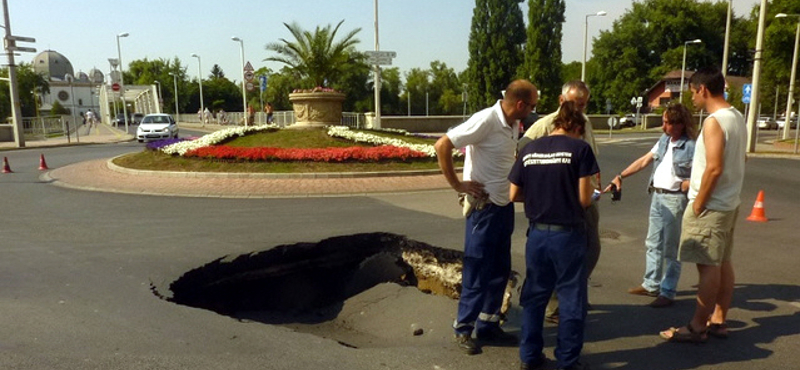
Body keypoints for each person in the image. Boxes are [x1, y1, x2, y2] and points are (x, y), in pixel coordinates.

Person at [434, 79, 538, 355]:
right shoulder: (487, 119)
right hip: (484, 209)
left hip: (503, 208)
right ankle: (464, 328)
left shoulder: (513, 123)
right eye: (532, 105)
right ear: (520, 104)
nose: (533, 110)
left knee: (499, 270)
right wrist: (458, 184)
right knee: (477, 269)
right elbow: (442, 145)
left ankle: (489, 325)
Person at [659, 67, 746, 342]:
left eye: (693, 93)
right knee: (722, 261)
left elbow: (714, 168)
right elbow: (740, 160)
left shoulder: (714, 122)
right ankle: (719, 319)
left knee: (707, 265)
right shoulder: (737, 116)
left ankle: (697, 327)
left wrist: (698, 203)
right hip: (729, 204)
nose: (692, 98)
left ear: (703, 90)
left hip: (711, 206)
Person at [510, 100, 599, 370]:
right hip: (567, 234)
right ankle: (567, 360)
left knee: (535, 298)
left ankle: (530, 357)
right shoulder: (580, 150)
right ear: (576, 126)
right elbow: (585, 198)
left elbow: (513, 194)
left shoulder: (529, 149)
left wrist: (538, 198)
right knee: (571, 299)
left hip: (537, 235)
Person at [519, 80, 600, 324]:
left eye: (584, 104)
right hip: (561, 201)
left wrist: (596, 183)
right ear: (561, 100)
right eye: (576, 103)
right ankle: (557, 305)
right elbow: (522, 151)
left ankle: (571, 296)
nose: (580, 108)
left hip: (586, 197)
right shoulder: (544, 125)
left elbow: (591, 155)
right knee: (559, 256)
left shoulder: (585, 122)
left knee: (591, 249)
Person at [604, 104, 697, 308]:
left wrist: (688, 183)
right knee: (652, 242)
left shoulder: (692, 146)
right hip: (657, 196)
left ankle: (667, 290)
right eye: (663, 122)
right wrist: (620, 176)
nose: (663, 127)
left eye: (667, 123)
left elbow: (704, 174)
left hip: (675, 199)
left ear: (680, 124)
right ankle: (651, 284)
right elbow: (645, 160)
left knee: (671, 248)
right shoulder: (664, 140)